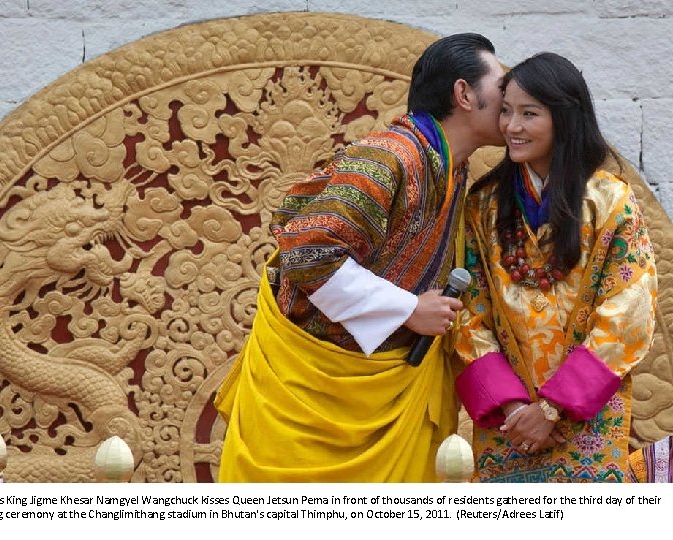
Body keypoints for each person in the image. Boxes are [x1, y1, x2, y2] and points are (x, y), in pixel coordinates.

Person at [214, 33, 506, 481]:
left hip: (383, 389)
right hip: (311, 401)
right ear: (465, 94)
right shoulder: (388, 157)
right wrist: (409, 309)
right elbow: (310, 254)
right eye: (501, 87)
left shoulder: (452, 167)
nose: (510, 102)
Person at [454, 52, 657, 482]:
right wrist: (513, 406)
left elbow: (628, 314)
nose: (512, 126)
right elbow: (470, 312)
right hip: (508, 424)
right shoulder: (483, 206)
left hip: (586, 417)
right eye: (506, 111)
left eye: (529, 114)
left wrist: (551, 408)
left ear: (564, 118)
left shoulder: (609, 202)